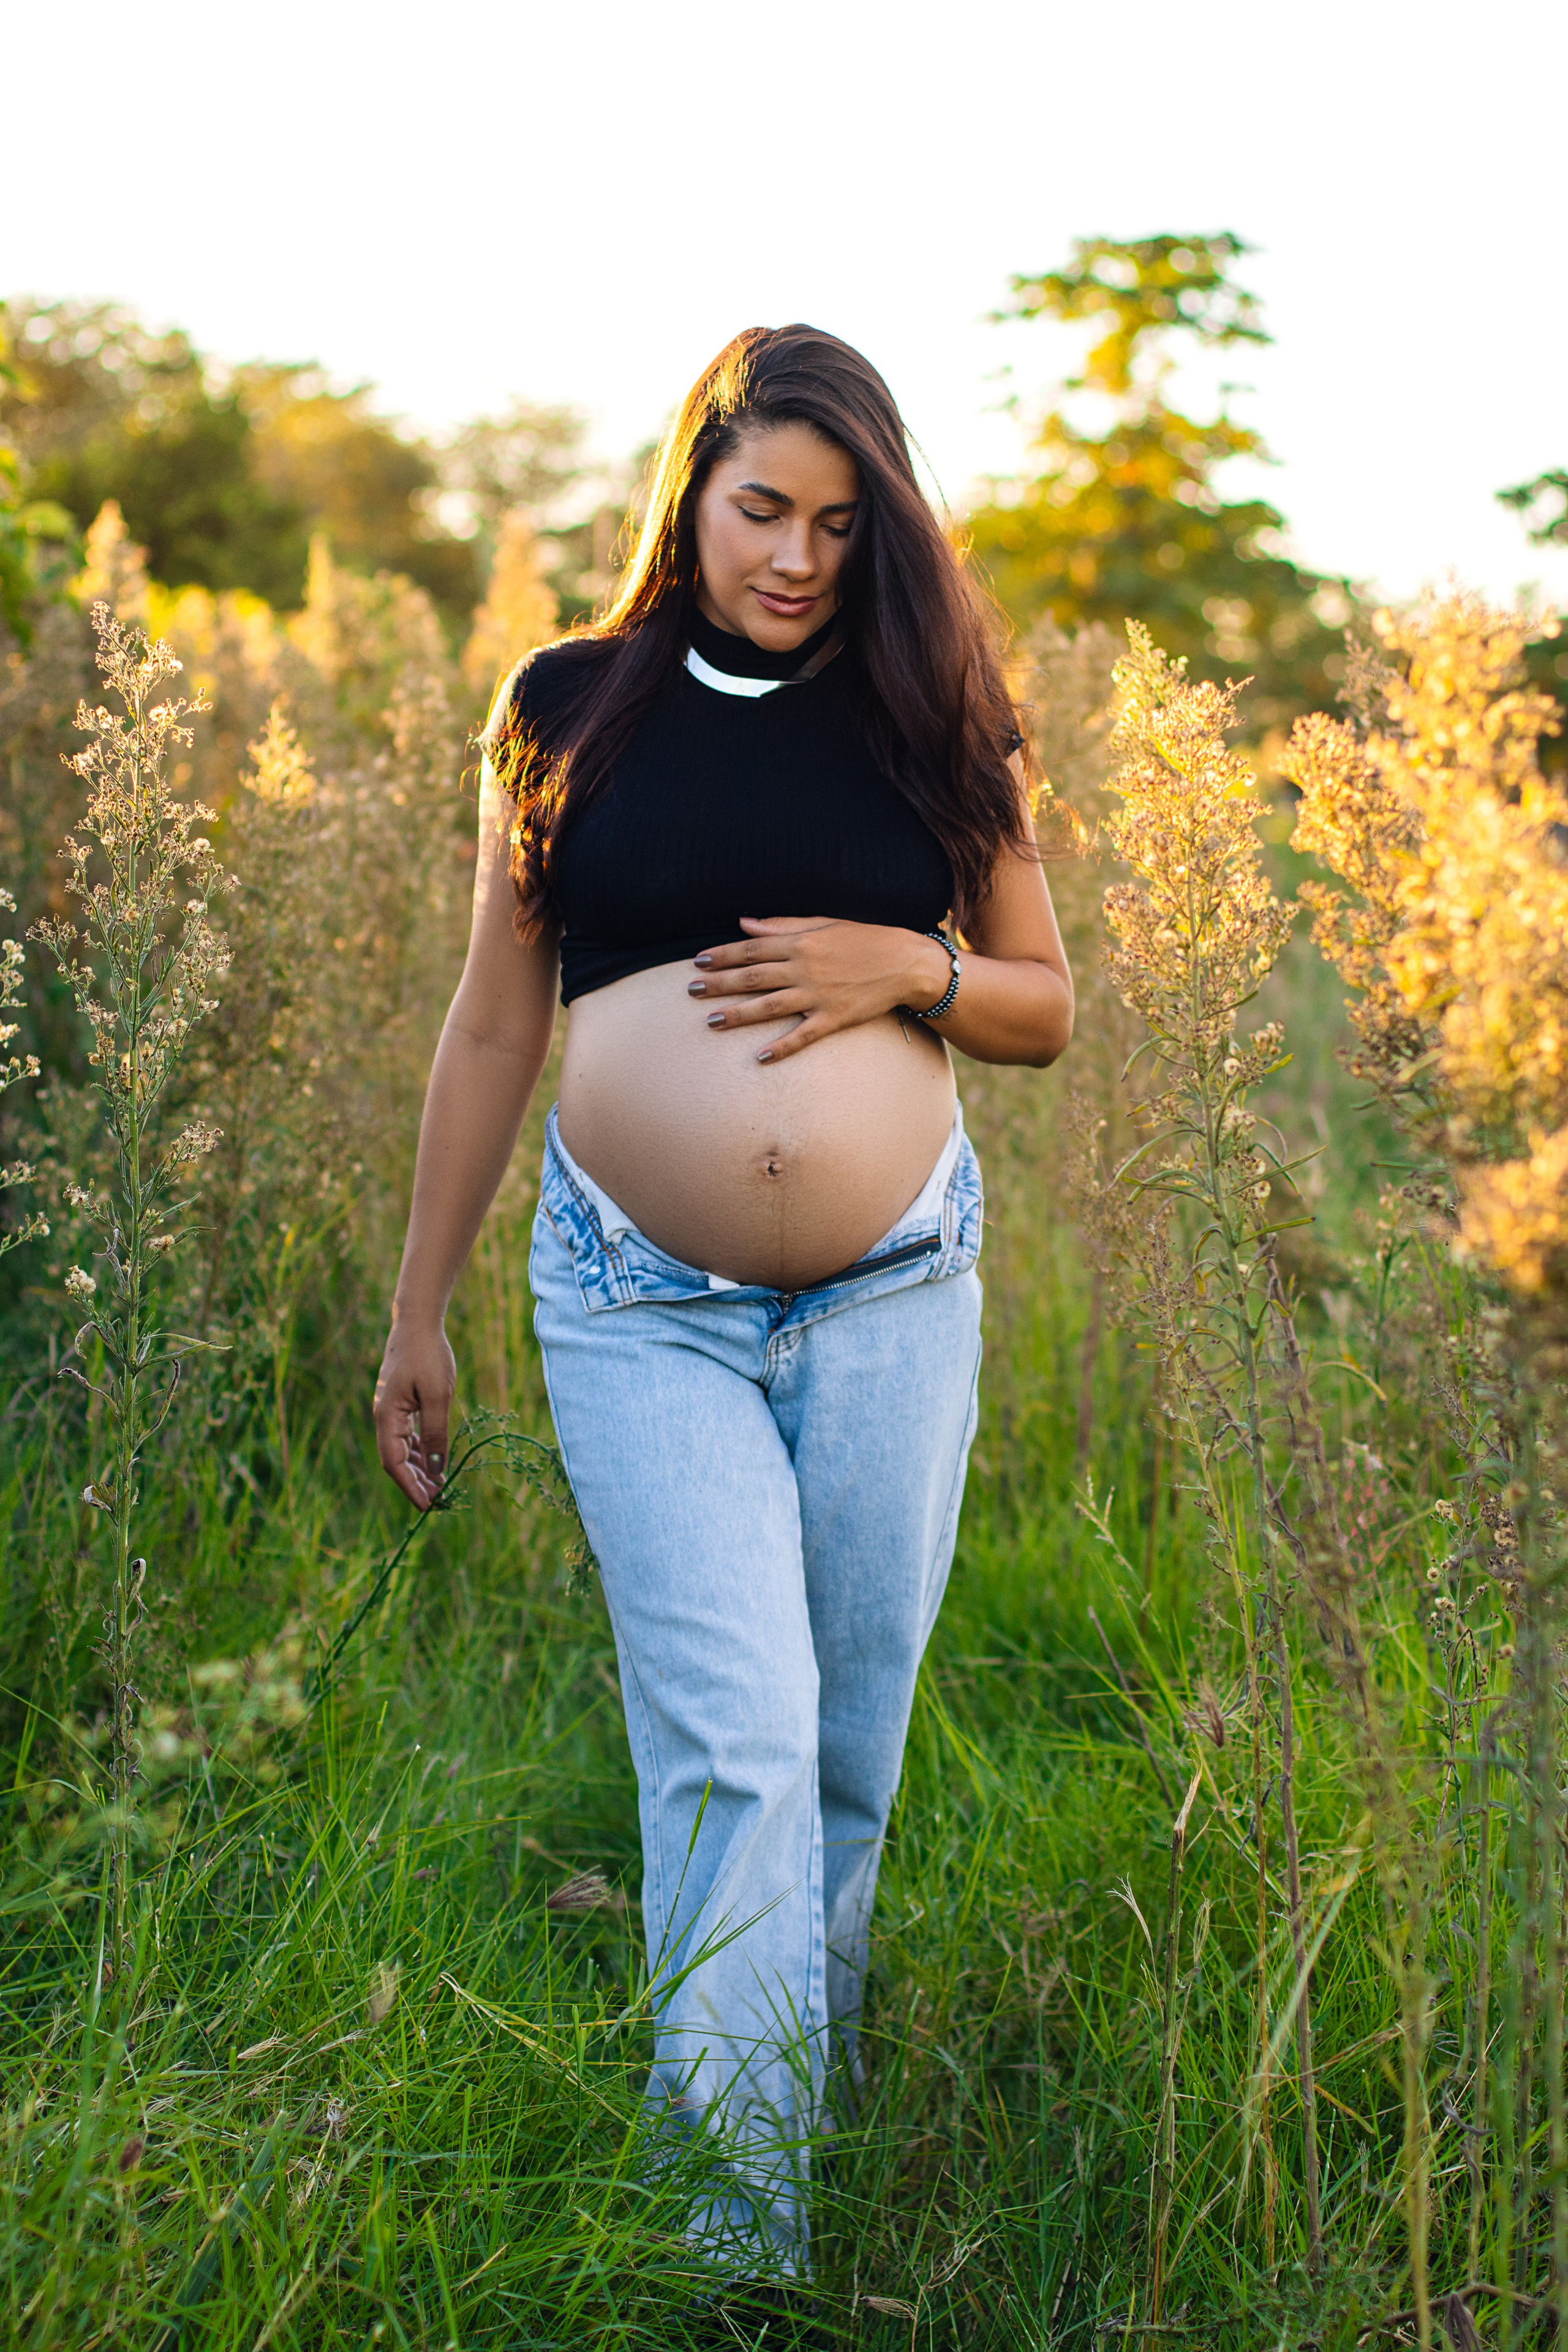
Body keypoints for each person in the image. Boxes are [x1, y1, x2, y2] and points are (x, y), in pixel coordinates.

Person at [374, 323, 1073, 2281]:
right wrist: (416, 1311)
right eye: (762, 506)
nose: (796, 556)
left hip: (895, 1294)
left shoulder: (932, 712)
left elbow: (1043, 1001)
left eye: (842, 526)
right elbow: (496, 1020)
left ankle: (803, 2125)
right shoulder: (568, 705)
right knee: (738, 1743)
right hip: (634, 1300)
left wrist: (899, 968)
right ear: (689, 487)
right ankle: (736, 2249)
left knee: (847, 1751)